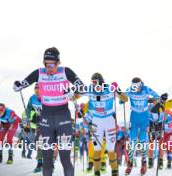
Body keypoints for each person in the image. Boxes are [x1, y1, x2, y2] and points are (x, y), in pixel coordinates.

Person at [13, 47, 84, 176]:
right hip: (46, 119)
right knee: (46, 159)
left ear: (58, 63)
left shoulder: (66, 72)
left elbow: (82, 88)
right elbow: (22, 84)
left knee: (65, 158)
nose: (49, 67)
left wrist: (72, 92)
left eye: (53, 64)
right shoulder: (39, 73)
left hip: (63, 118)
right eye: (47, 64)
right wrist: (17, 86)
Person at [82, 72, 128, 176]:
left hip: (109, 121)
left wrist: (118, 90)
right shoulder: (90, 90)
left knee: (111, 149)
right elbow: (74, 96)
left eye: (97, 85)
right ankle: (96, 172)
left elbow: (125, 99)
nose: (95, 88)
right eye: (93, 84)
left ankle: (114, 172)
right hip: (96, 121)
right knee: (96, 148)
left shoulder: (110, 89)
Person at [125, 77, 159, 175]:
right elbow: (122, 97)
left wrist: (152, 100)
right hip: (134, 116)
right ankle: (130, 162)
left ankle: (144, 162)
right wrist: (122, 99)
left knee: (144, 138)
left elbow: (158, 97)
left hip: (144, 116)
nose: (135, 89)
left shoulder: (146, 89)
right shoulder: (130, 89)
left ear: (141, 85)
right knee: (133, 139)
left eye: (137, 87)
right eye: (133, 86)